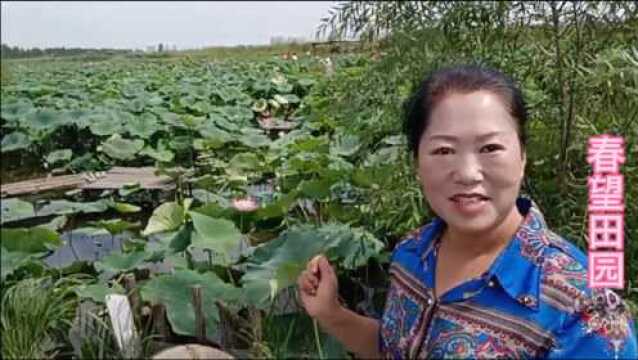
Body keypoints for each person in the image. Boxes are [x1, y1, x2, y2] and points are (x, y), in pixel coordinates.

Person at [296, 65, 638, 359]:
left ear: (522, 158)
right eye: (443, 150)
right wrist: (333, 314)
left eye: (490, 148)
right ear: (417, 163)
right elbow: (395, 348)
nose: (467, 173)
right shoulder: (412, 253)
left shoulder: (583, 308)